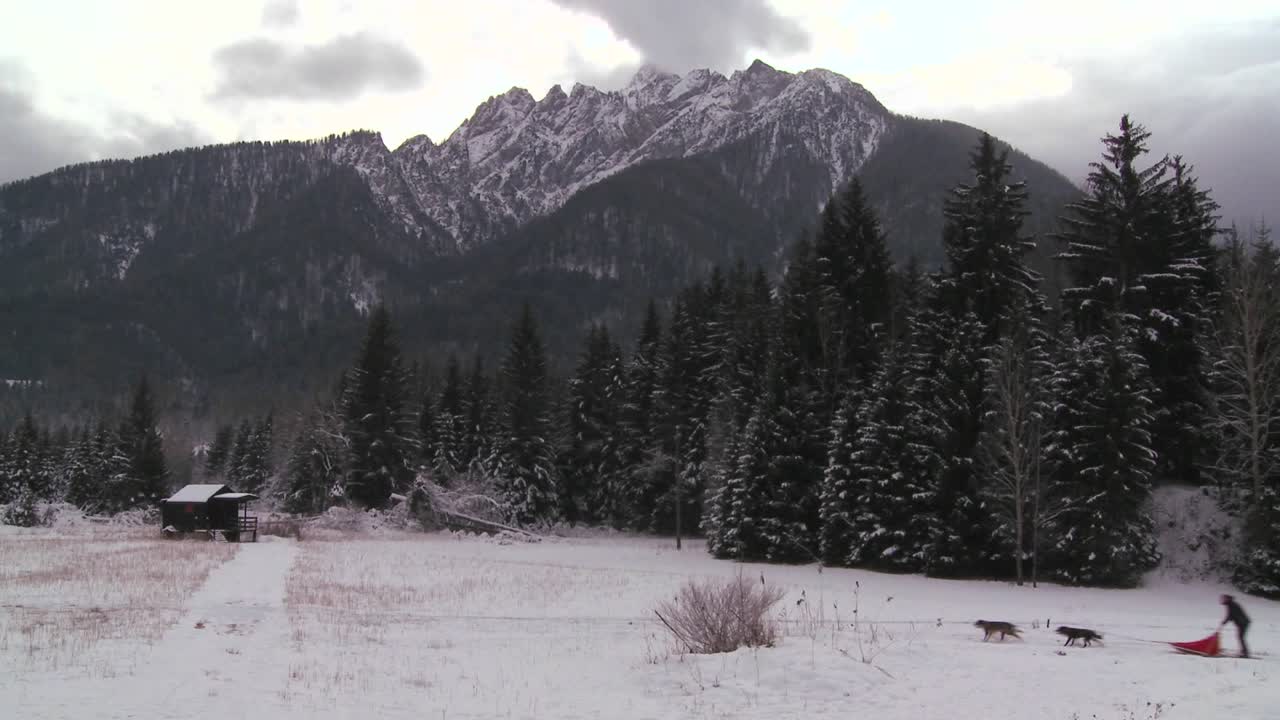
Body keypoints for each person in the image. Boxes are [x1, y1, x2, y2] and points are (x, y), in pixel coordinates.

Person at [1219, 594, 1251, 658]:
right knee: (1240, 637)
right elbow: (1231, 615)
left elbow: (1231, 615)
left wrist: (1224, 622)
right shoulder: (1231, 604)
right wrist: (1225, 621)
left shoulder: (1232, 605)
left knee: (1241, 637)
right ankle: (1244, 651)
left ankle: (1245, 653)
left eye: (1223, 599)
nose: (1221, 600)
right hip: (1242, 623)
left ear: (1227, 599)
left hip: (1243, 623)